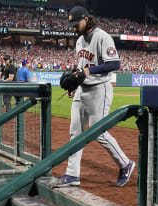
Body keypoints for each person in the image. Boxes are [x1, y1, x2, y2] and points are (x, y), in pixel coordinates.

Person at [54, 6, 135, 187]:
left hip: (100, 89)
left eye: (76, 23)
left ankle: (125, 164)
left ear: (86, 19)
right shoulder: (79, 41)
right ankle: (72, 175)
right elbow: (82, 67)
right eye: (72, 24)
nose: (74, 27)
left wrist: (89, 71)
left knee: (98, 132)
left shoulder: (102, 37)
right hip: (82, 89)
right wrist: (75, 82)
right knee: (75, 133)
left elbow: (114, 63)